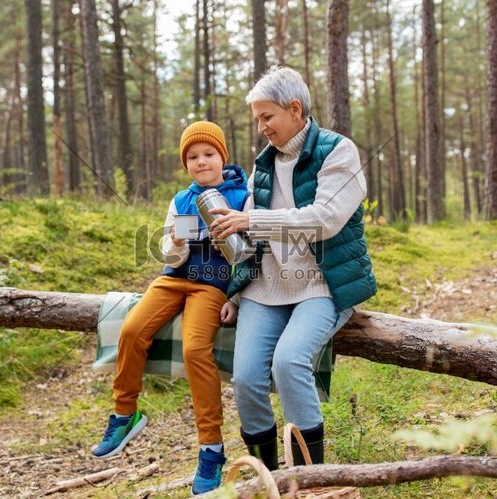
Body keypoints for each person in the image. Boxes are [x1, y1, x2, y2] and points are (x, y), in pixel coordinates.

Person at [209, 66, 377, 470]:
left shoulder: (338, 151)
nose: (262, 127)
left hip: (322, 283)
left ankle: (310, 477)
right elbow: (248, 231)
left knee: (288, 362)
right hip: (266, 287)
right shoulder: (263, 163)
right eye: (258, 120)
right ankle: (268, 477)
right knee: (246, 377)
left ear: (295, 109)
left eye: (267, 117)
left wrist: (252, 221)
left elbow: (325, 219)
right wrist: (233, 289)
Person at [92, 121, 248, 495]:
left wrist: (236, 297)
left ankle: (211, 449)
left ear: (222, 156)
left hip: (211, 284)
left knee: (196, 348)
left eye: (208, 154)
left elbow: (249, 254)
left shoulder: (243, 197)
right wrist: (175, 242)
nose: (201, 162)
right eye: (192, 157)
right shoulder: (181, 199)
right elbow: (167, 252)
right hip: (173, 278)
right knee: (131, 330)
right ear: (186, 164)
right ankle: (125, 414)